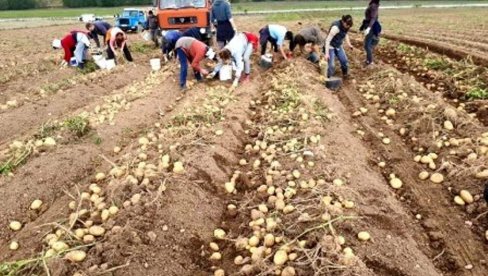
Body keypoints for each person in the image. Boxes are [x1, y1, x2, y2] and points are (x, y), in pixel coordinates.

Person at [360, 0, 382, 66]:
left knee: (367, 45)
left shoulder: (373, 6)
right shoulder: (374, 5)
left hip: (371, 27)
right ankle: (368, 60)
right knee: (367, 45)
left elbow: (373, 18)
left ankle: (370, 61)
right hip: (370, 26)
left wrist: (369, 28)